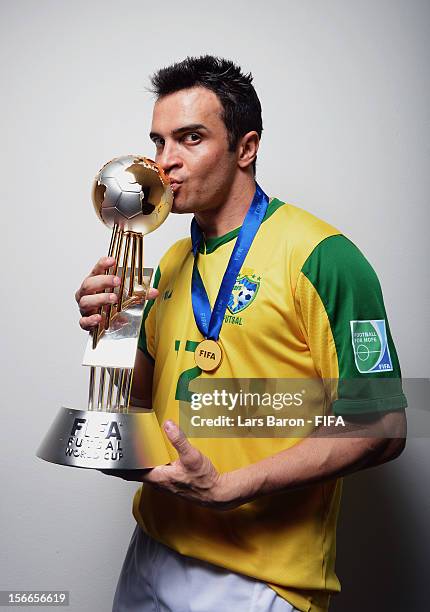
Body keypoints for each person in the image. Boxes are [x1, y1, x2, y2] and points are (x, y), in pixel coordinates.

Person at [75, 56, 407, 612]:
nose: (165, 163)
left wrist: (232, 488)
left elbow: (382, 426)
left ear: (245, 148)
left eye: (191, 138)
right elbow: (139, 408)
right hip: (151, 550)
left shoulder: (323, 257)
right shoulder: (169, 262)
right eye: (158, 142)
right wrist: (111, 333)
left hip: (257, 580)